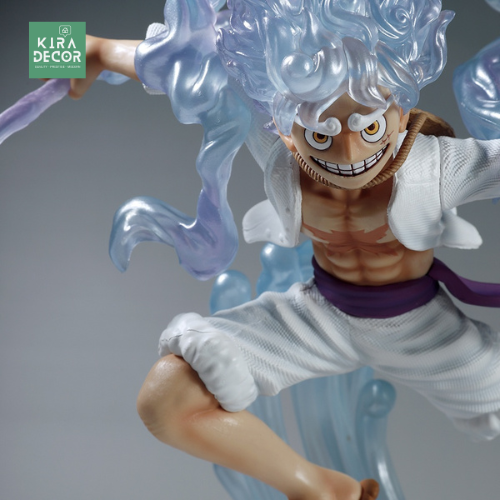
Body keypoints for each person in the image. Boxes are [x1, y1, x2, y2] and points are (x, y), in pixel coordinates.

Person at [65, 1, 500, 498]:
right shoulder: (279, 151)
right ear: (284, 123)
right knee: (166, 396)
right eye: (321, 134)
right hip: (317, 319)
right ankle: (319, 488)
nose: (349, 153)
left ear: (399, 113)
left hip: (425, 330)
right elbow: (177, 63)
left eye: (370, 127)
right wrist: (71, 50)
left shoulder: (437, 166)